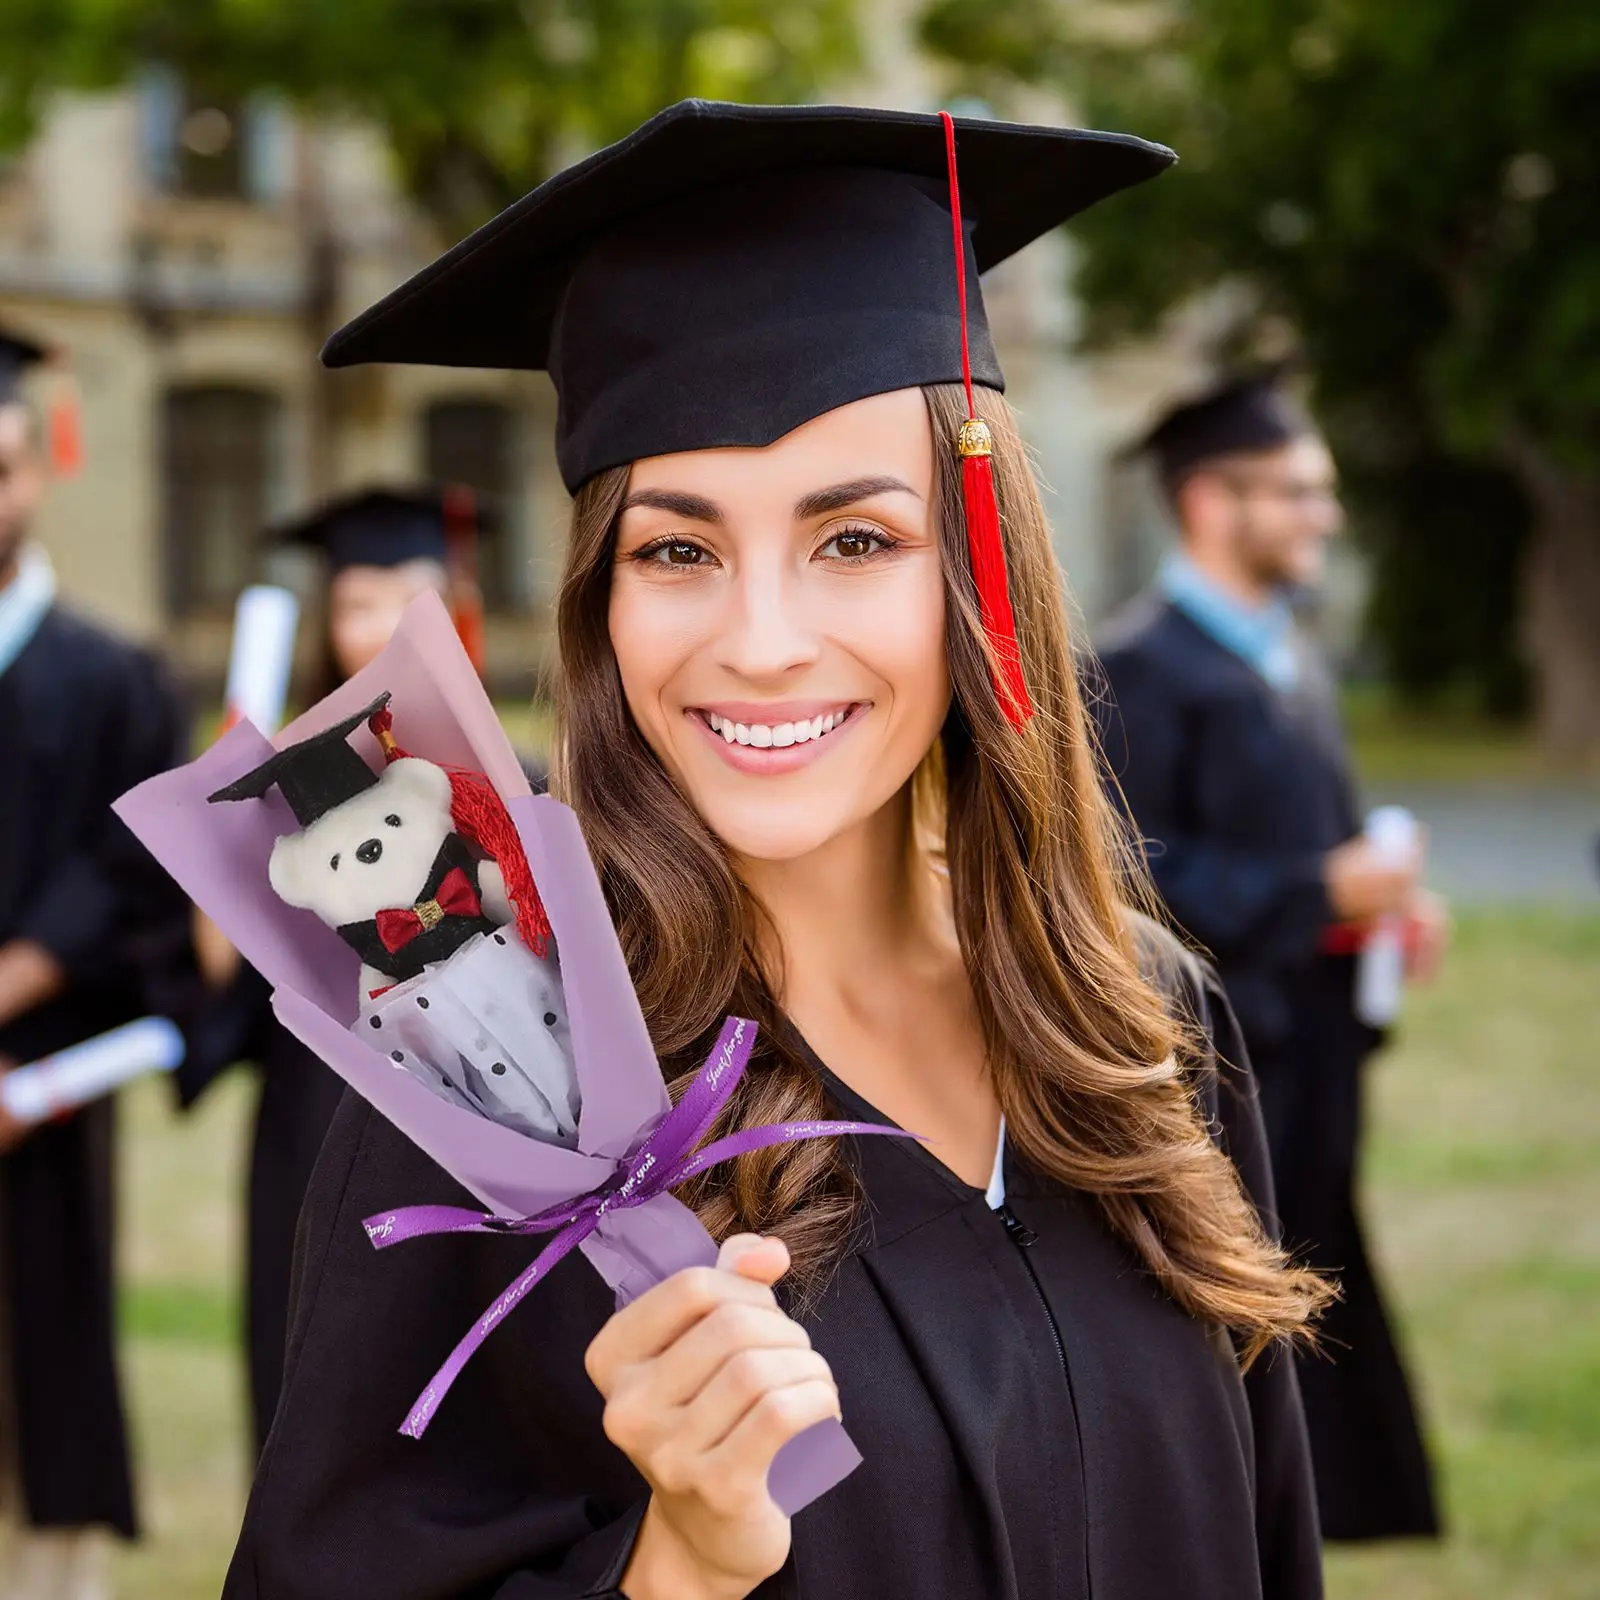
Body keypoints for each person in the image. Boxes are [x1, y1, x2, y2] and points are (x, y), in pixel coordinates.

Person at [221, 103, 1331, 1599]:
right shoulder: (501, 1094)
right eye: (676, 549)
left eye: (856, 541)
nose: (757, 643)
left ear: (980, 571)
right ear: (604, 611)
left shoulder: (1142, 1029)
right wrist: (677, 1564)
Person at [1091, 374, 1446, 1541]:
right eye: (1296, 492)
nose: (1321, 518)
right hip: (1216, 1067)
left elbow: (1304, 848)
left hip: (1313, 1049)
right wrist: (1312, 890)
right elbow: (1119, 869)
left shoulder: (1285, 656)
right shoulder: (1140, 666)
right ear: (1208, 502)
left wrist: (1375, 914)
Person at [181, 486, 545, 1457]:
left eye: (405, 598)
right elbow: (223, 970)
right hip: (324, 1108)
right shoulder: (281, 792)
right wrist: (215, 854)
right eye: (354, 602)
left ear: (452, 606)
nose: (377, 626)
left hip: (486, 1110)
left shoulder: (516, 775)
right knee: (318, 1362)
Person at [0, 328, 189, 1598]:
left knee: (41, 1363)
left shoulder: (116, 679)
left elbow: (140, 877)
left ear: (37, 472)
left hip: (38, 1097)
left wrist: (25, 972)